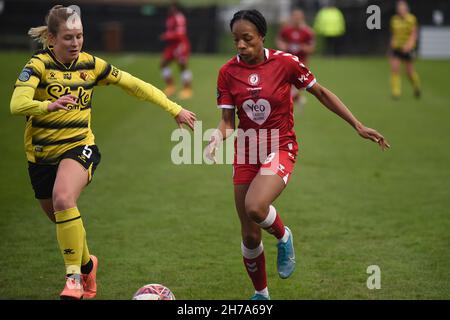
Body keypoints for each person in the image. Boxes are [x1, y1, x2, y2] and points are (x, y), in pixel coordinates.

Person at [9, 5, 196, 300]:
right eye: (68, 37)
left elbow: (136, 85)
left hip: (79, 146)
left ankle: (73, 279)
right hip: (42, 155)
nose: (75, 43)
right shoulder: (38, 66)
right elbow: (16, 104)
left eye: (79, 36)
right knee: (61, 217)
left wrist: (174, 109)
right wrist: (48, 105)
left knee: (63, 198)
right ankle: (86, 265)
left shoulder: (92, 65)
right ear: (52, 38)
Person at [206, 9, 389, 300]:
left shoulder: (286, 63)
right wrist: (217, 135)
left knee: (256, 206)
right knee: (250, 233)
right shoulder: (227, 72)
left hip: (280, 147)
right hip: (246, 151)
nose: (241, 45)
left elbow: (321, 93)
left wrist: (357, 124)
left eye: (247, 38)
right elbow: (228, 122)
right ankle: (262, 294)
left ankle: (283, 235)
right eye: (236, 40)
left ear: (262, 36)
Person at [276, 8, 315, 108]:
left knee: (294, 84)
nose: (296, 19)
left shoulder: (307, 32)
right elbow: (279, 41)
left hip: (301, 61)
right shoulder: (286, 30)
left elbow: (311, 48)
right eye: (295, 17)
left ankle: (294, 101)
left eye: (298, 17)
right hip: (287, 61)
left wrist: (303, 48)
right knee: (287, 83)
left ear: (302, 18)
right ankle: (296, 100)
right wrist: (283, 46)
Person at [159, 2, 193, 100]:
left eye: (172, 7)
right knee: (163, 64)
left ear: (176, 8)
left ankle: (187, 89)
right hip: (172, 46)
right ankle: (170, 86)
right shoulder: (169, 18)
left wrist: (166, 36)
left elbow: (180, 33)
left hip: (180, 45)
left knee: (182, 66)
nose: (170, 9)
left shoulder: (179, 17)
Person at [389, 0, 421, 99]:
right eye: (399, 8)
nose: (401, 9)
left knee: (409, 71)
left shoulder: (411, 19)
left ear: (406, 8)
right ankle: (396, 92)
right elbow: (394, 34)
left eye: (402, 8)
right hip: (397, 48)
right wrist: (392, 44)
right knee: (394, 68)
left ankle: (416, 86)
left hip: (408, 49)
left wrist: (409, 46)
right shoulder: (394, 19)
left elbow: (414, 34)